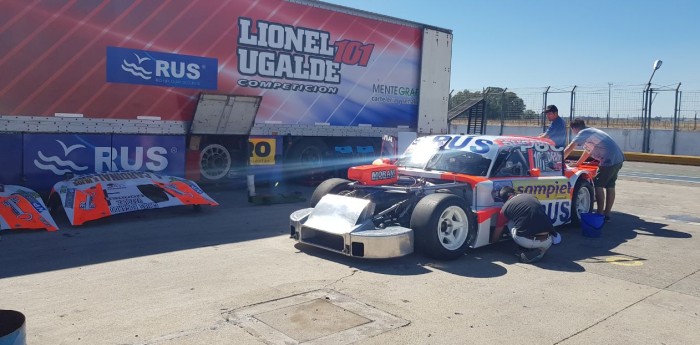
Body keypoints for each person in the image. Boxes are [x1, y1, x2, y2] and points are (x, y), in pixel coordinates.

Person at [563, 118, 624, 222]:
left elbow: (570, 147)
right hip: (618, 158)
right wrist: (578, 163)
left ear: (574, 128)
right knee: (610, 185)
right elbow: (588, 151)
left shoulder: (583, 132)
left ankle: (599, 214)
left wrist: (559, 160)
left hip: (609, 160)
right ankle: (607, 214)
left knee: (598, 184)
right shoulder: (592, 132)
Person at [491, 187, 554, 263]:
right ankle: (541, 249)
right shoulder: (531, 196)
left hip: (527, 242)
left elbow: (498, 230)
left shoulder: (505, 208)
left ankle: (526, 251)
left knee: (510, 222)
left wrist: (493, 242)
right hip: (548, 240)